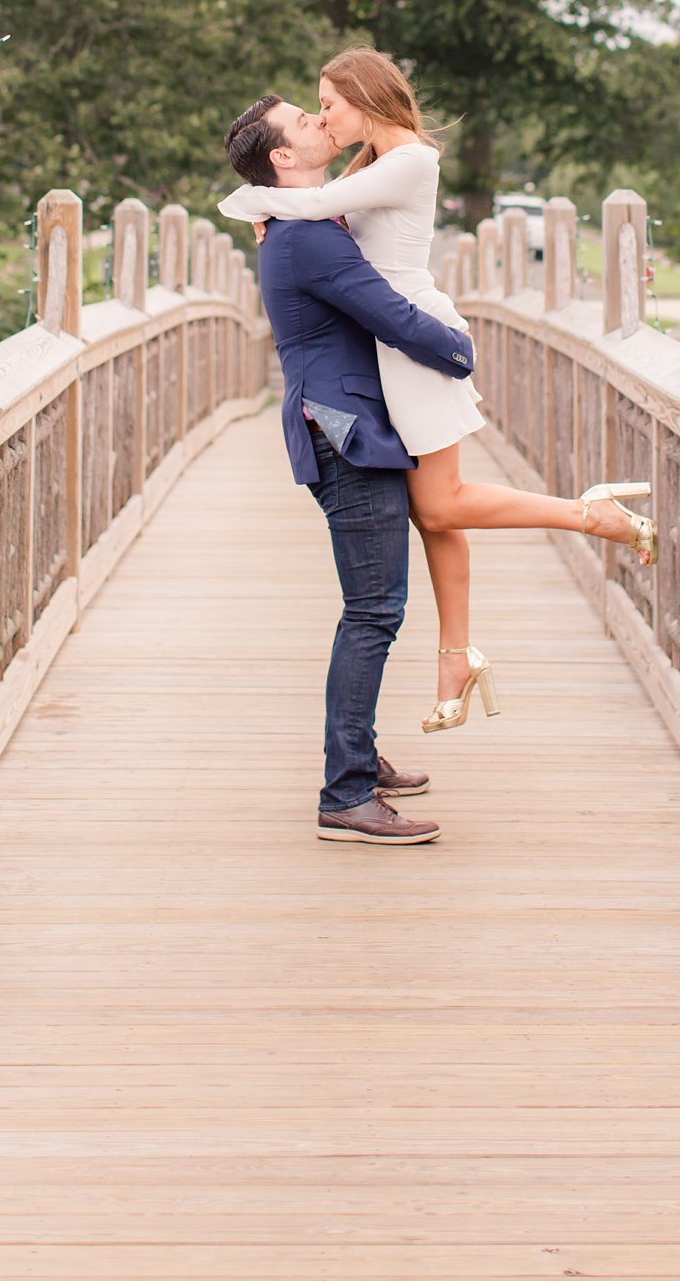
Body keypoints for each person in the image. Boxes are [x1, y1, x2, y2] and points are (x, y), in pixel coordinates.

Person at [220, 51, 654, 737]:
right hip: (393, 350)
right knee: (436, 514)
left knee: (439, 501)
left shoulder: (411, 160)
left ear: (365, 98)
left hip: (417, 339)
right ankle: (457, 653)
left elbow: (318, 206)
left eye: (327, 104)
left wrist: (253, 203)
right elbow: (322, 213)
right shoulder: (368, 167)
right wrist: (276, 216)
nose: (324, 118)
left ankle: (587, 514)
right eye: (313, 111)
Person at [224, 93, 477, 846]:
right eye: (306, 120)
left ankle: (357, 755)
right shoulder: (309, 241)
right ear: (283, 158)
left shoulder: (303, 224)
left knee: (370, 607)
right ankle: (347, 793)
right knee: (373, 610)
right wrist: (461, 351)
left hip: (342, 421)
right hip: (347, 430)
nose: (320, 122)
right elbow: (391, 316)